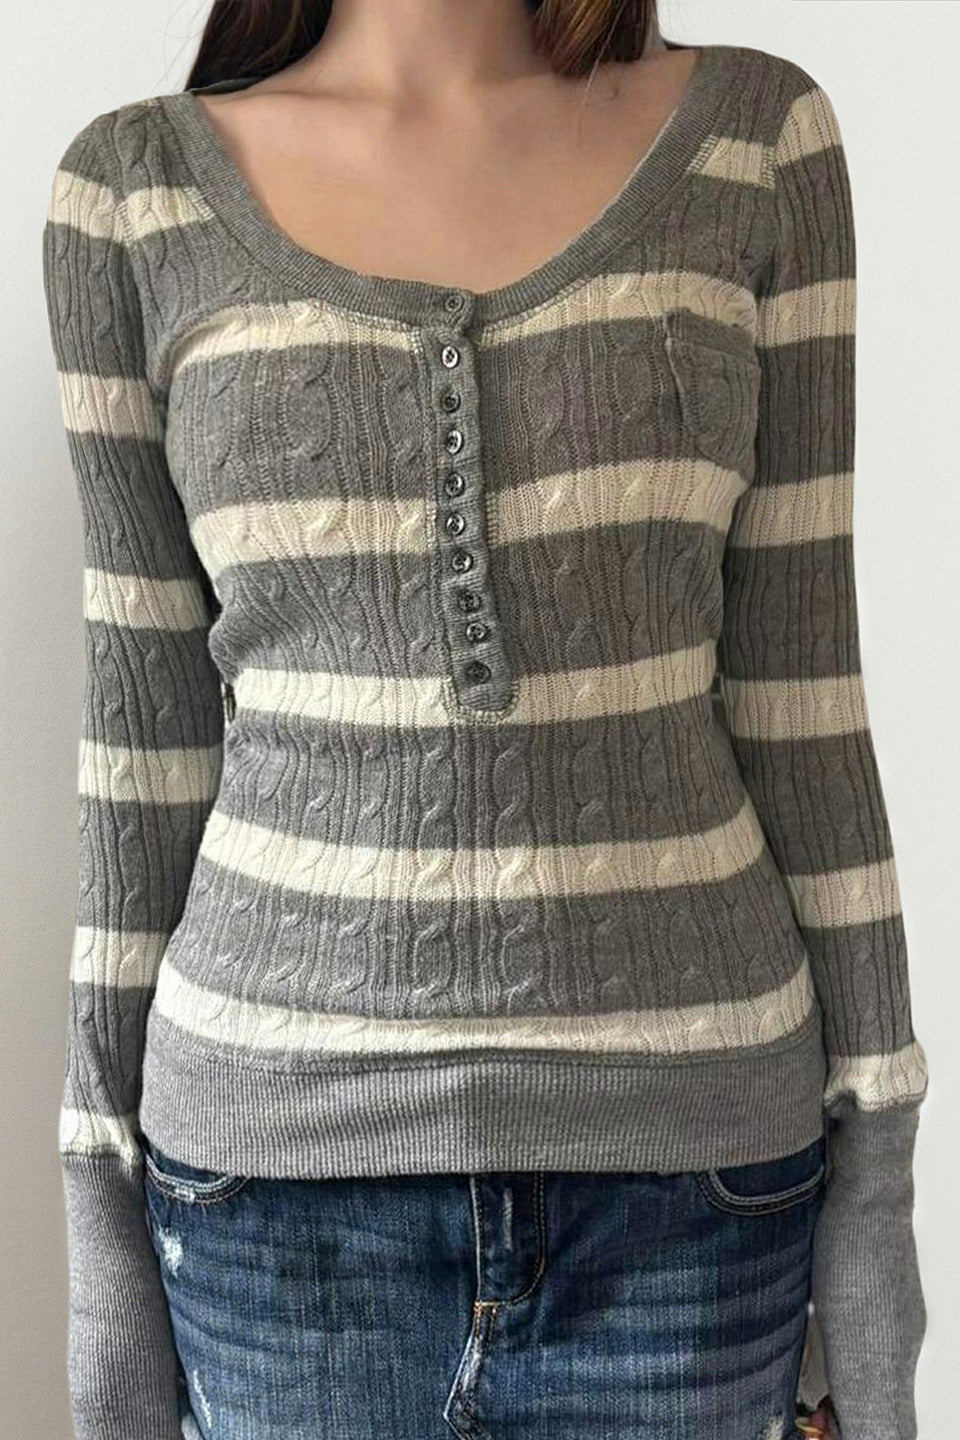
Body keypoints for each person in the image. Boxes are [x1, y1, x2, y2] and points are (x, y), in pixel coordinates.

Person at [41, 2, 928, 1437]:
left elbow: (804, 694)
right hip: (272, 1216)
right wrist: (95, 1206)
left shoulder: (759, 147)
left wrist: (877, 1174)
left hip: (695, 1204)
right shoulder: (132, 196)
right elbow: (141, 744)